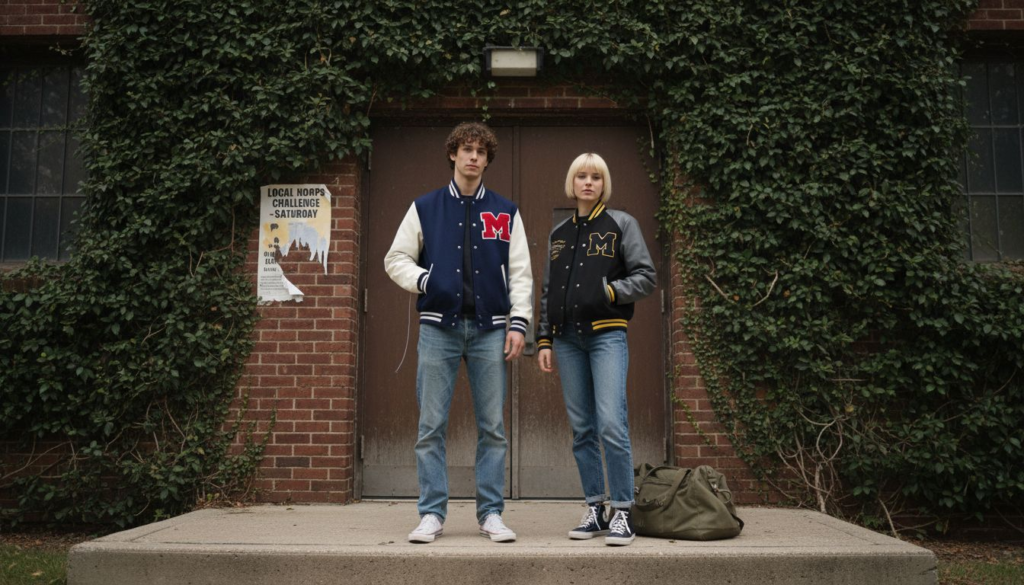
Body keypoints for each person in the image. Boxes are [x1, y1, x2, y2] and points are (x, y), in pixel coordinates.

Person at [384, 122, 533, 544]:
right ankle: (431, 513)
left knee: (493, 427)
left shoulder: (505, 211)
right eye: (466, 150)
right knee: (430, 426)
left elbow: (520, 272)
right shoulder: (425, 207)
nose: (473, 157)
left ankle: (491, 514)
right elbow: (395, 259)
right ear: (453, 154)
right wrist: (426, 281)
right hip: (438, 330)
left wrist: (518, 323)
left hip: (490, 331)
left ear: (487, 160)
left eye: (480, 152)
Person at [536, 152, 656, 546]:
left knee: (610, 423)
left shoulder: (621, 224)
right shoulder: (558, 234)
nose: (588, 183)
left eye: (596, 177)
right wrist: (545, 338)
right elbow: (548, 292)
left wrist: (608, 291)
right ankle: (595, 509)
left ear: (604, 184)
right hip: (567, 340)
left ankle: (623, 510)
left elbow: (645, 277)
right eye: (582, 176)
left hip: (606, 335)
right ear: (571, 183)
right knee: (582, 428)